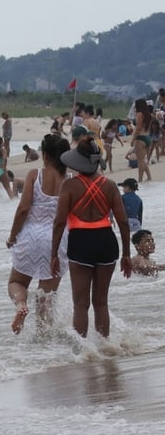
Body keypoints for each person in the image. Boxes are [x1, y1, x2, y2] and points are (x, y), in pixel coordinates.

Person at [51, 136, 132, 338]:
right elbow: (123, 222)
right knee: (101, 302)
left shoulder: (69, 187)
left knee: (80, 304)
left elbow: (60, 222)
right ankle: (105, 348)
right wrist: (127, 255)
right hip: (106, 242)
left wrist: (53, 254)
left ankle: (83, 353)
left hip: (80, 243)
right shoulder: (111, 185)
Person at [6, 134, 71, 334]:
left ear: (45, 155)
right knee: (46, 296)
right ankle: (44, 340)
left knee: (16, 282)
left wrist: (12, 236)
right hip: (57, 240)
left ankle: (20, 305)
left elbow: (23, 209)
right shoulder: (71, 180)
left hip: (30, 237)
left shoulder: (35, 174)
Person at [132, 98, 153, 182]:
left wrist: (133, 138)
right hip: (147, 137)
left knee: (140, 161)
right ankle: (149, 177)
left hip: (140, 138)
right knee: (143, 160)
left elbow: (138, 127)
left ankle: (140, 179)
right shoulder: (149, 115)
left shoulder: (139, 114)